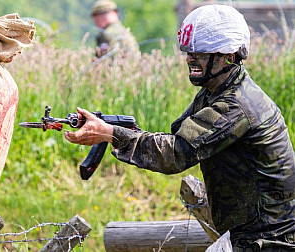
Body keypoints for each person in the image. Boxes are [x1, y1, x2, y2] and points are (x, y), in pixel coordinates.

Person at [65, 4, 295, 251]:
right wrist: (115, 127)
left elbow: (176, 153)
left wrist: (110, 133)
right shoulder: (215, 91)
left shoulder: (236, 105)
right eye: (188, 51)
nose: (189, 58)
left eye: (200, 53)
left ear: (228, 56)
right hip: (247, 234)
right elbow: (178, 135)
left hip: (269, 241)